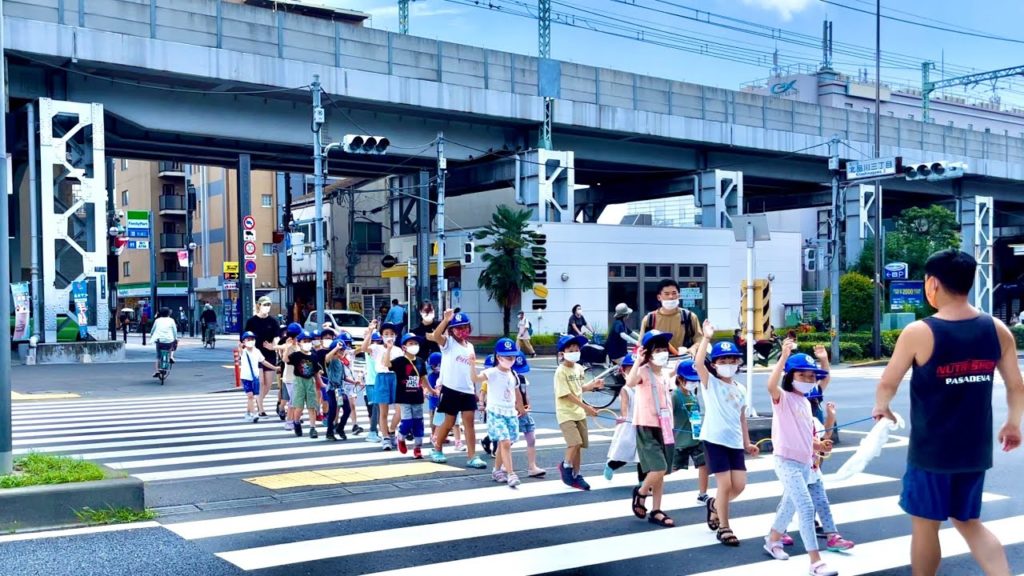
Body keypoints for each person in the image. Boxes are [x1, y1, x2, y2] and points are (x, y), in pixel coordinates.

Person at [873, 249, 1023, 576]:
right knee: (969, 522)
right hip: (975, 450)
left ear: (932, 284)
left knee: (926, 526)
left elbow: (888, 381)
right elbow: (1016, 385)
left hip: (932, 452)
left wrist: (881, 408)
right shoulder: (998, 330)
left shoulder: (920, 332)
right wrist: (1013, 423)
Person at [762, 340, 839, 576]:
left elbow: (807, 437)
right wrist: (783, 356)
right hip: (786, 462)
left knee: (789, 506)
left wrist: (819, 444)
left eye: (811, 376)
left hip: (805, 463)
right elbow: (770, 385)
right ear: (790, 375)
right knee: (805, 508)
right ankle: (816, 562)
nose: (808, 380)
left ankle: (773, 539)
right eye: (802, 376)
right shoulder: (782, 398)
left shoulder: (806, 403)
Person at [694, 319, 759, 547]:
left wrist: (747, 442)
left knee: (739, 485)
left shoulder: (741, 389)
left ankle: (714, 505)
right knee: (725, 485)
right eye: (723, 360)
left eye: (732, 359)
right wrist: (707, 338)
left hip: (734, 442)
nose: (728, 363)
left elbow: (741, 417)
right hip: (714, 440)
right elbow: (698, 363)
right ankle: (724, 526)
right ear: (716, 364)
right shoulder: (710, 383)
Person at [625, 330, 677, 527]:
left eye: (664, 348)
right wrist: (637, 361)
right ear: (648, 352)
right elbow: (630, 383)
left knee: (662, 471)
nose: (663, 352)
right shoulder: (643, 370)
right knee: (658, 467)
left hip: (665, 426)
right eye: (657, 349)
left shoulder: (663, 373)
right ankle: (640, 493)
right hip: (646, 425)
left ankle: (656, 510)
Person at [427, 310, 488, 469]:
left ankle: (472, 456)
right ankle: (437, 449)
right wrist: (446, 320)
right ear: (451, 330)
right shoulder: (448, 344)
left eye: (465, 327)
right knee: (449, 422)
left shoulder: (470, 347)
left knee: (469, 424)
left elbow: (470, 370)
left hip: (467, 390)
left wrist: (474, 390)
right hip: (450, 389)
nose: (462, 331)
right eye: (458, 328)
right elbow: (436, 335)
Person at [472, 339, 527, 487]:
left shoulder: (513, 374)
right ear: (498, 357)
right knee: (505, 442)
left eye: (513, 357)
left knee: (508, 442)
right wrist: (472, 364)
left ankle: (497, 470)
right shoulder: (492, 372)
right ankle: (511, 474)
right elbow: (476, 378)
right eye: (507, 357)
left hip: (510, 412)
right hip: (496, 412)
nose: (511, 360)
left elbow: (516, 391)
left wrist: (521, 407)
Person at [554, 334, 605, 490]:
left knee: (579, 445)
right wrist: (587, 408)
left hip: (579, 413)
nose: (575, 351)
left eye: (577, 349)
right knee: (574, 442)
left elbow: (578, 389)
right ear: (562, 353)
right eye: (571, 349)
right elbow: (567, 395)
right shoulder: (560, 372)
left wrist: (593, 385)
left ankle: (577, 475)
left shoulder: (579, 368)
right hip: (566, 413)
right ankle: (565, 466)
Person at [361, 320, 404, 451]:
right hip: (381, 378)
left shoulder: (398, 350)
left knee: (400, 410)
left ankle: (391, 431)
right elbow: (363, 348)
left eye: (392, 333)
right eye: (386, 333)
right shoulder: (376, 348)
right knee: (383, 412)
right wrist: (370, 331)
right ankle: (385, 437)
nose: (389, 336)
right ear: (381, 336)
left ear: (396, 336)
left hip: (395, 378)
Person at [388, 334, 431, 459]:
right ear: (404, 347)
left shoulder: (420, 361)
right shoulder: (400, 361)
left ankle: (417, 448)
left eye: (416, 343)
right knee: (407, 422)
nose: (414, 346)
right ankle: (400, 437)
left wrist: (431, 389)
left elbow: (423, 378)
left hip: (417, 397)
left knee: (418, 423)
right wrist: (389, 348)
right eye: (411, 344)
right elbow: (386, 364)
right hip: (404, 397)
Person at [673, 359, 710, 503]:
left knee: (704, 465)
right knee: (673, 468)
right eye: (690, 380)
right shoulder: (674, 396)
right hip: (680, 441)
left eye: (696, 380)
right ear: (680, 379)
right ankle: (650, 482)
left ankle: (702, 494)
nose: (694, 383)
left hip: (696, 438)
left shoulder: (693, 396)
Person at [604, 353, 644, 483]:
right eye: (630, 370)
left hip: (644, 424)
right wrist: (624, 416)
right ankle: (611, 465)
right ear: (623, 372)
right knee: (624, 454)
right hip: (630, 425)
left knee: (642, 455)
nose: (634, 373)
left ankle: (642, 483)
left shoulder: (644, 386)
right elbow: (625, 406)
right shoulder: (625, 389)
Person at [639, 279, 703, 356]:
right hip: (657, 361)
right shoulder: (649, 319)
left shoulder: (689, 317)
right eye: (666, 294)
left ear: (679, 296)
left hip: (683, 360)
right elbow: (642, 343)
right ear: (659, 297)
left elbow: (699, 339)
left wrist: (692, 349)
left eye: (674, 293)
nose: (671, 297)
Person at [245, 296, 280, 418]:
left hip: (269, 354)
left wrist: (274, 346)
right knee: (260, 382)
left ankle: (258, 400)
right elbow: (245, 337)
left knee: (268, 384)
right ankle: (261, 409)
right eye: (264, 304)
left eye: (269, 305)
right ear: (258, 305)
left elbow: (277, 336)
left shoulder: (273, 321)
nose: (267, 307)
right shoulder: (252, 321)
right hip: (255, 354)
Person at [512, 352, 546, 478]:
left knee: (531, 438)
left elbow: (525, 393)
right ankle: (502, 465)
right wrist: (517, 408)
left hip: (525, 412)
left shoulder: (521, 379)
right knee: (508, 441)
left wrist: (528, 406)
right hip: (514, 413)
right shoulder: (508, 379)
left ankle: (532, 466)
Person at [287, 330, 322, 439]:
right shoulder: (296, 355)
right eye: (304, 341)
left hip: (310, 381)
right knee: (299, 407)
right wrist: (287, 348)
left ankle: (313, 428)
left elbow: (316, 371)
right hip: (299, 381)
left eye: (309, 341)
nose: (307, 343)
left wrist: (320, 383)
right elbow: (285, 360)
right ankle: (296, 422)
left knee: (312, 406)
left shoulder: (314, 356)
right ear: (299, 343)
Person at [239, 331, 276, 423]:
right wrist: (240, 346)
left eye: (252, 339)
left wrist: (274, 367)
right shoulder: (244, 352)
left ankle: (248, 412)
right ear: (244, 341)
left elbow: (263, 361)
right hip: (246, 377)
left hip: (255, 378)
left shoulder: (257, 351)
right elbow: (240, 350)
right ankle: (254, 414)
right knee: (250, 396)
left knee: (251, 397)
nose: (251, 341)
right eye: (248, 339)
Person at [149, 307, 178, 378]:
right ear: (168, 313)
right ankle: (171, 356)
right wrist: (175, 338)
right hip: (169, 341)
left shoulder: (157, 320)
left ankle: (156, 371)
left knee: (158, 357)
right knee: (172, 345)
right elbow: (174, 331)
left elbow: (152, 330)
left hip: (159, 341)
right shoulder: (171, 320)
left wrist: (152, 335)